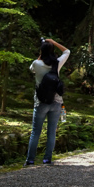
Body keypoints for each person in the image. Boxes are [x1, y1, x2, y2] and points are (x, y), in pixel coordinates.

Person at [26, 37, 69, 166]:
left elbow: (31, 69)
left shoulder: (36, 63)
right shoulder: (57, 63)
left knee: (36, 132)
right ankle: (47, 159)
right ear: (52, 51)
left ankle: (30, 160)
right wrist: (53, 42)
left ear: (41, 51)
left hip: (41, 102)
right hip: (56, 103)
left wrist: (40, 56)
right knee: (51, 132)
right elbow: (67, 51)